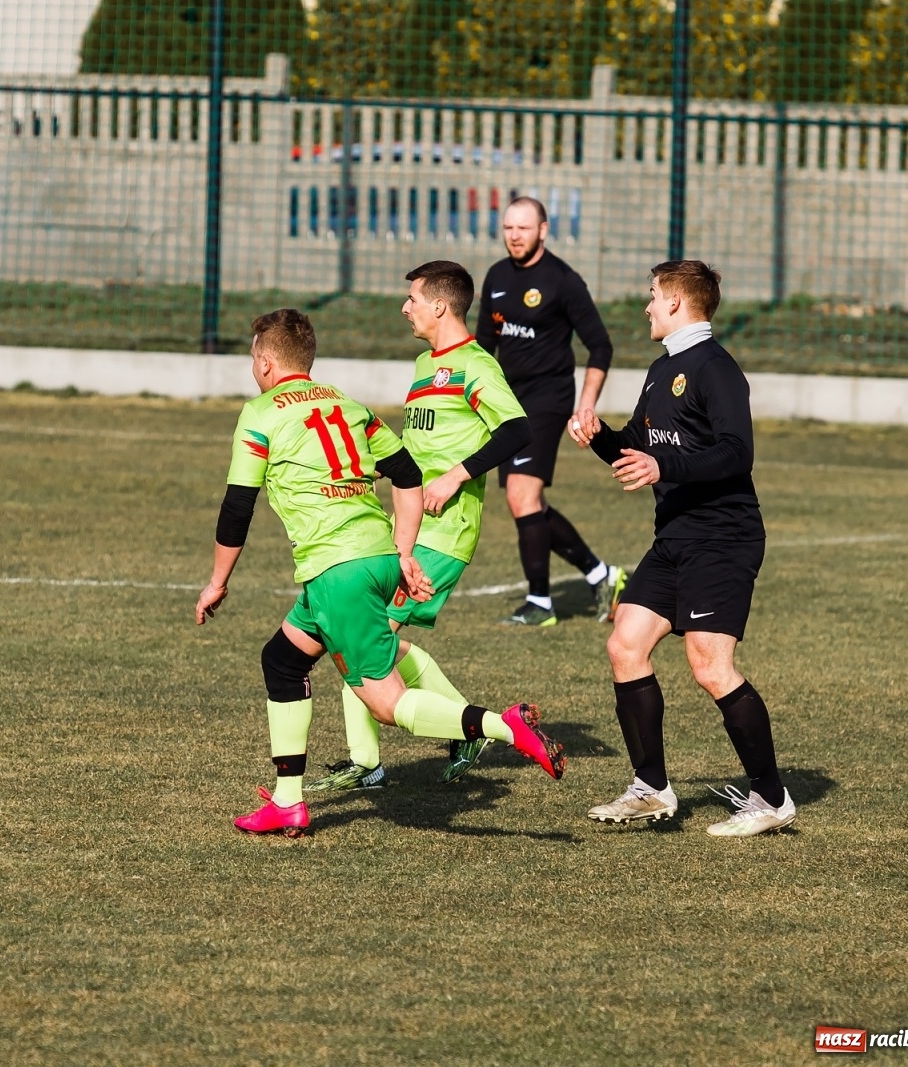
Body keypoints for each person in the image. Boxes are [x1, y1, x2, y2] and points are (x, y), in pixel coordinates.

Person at [195, 308, 564, 837]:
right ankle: (287, 801)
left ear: (266, 363)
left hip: (336, 569)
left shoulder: (259, 414)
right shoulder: (348, 404)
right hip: (377, 554)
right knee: (282, 660)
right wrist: (404, 553)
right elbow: (407, 472)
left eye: (254, 358)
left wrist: (217, 582)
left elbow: (237, 508)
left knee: (387, 703)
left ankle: (499, 726)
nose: (254, 367)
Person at [569, 261, 794, 837]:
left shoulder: (716, 368)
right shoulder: (661, 368)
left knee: (710, 666)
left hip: (723, 537)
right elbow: (638, 448)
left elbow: (736, 452)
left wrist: (662, 464)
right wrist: (600, 437)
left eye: (652, 295)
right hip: (675, 535)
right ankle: (650, 789)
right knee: (625, 645)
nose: (646, 306)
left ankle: (771, 798)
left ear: (675, 303)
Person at [306, 260, 536, 793]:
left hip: (446, 530)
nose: (405, 307)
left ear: (440, 305)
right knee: (364, 635)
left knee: (366, 637)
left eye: (413, 298)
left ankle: (376, 761)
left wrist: (455, 476)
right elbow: (419, 447)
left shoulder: (475, 365)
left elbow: (517, 429)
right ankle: (445, 735)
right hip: (409, 526)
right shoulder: (423, 364)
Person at [476, 196, 627, 626]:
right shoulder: (496, 276)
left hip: (548, 399)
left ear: (543, 230)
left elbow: (600, 346)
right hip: (508, 401)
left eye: (523, 228)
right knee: (529, 503)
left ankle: (540, 603)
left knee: (521, 495)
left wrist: (586, 405)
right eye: (508, 227)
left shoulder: (563, 280)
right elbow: (484, 346)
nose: (514, 236)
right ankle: (602, 575)